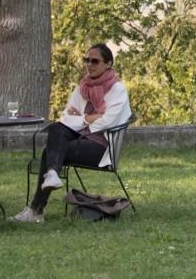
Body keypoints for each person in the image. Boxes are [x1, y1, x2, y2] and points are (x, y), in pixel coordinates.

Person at [11, 43, 131, 223]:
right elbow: (67, 116)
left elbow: (109, 121)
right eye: (86, 60)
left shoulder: (117, 89)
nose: (89, 64)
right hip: (80, 138)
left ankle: (36, 208)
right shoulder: (83, 86)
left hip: (101, 148)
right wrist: (91, 117)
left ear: (108, 63)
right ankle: (50, 177)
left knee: (50, 152)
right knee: (56, 128)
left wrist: (82, 118)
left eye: (95, 61)